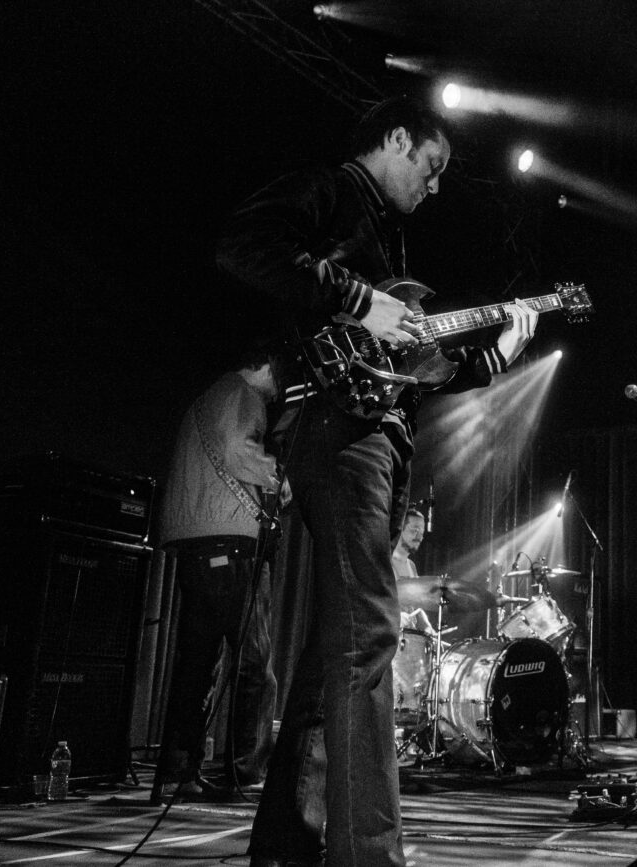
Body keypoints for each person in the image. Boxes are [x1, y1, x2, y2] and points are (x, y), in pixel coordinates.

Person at [216, 95, 539, 867]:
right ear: (395, 138)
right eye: (431, 165)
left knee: (331, 657)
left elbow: (413, 374)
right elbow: (243, 243)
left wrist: (494, 358)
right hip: (338, 435)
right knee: (368, 636)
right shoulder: (331, 191)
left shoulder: (390, 243)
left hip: (380, 442)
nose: (435, 185)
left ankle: (285, 847)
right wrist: (361, 299)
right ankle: (369, 855)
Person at [152, 352, 287, 804]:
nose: (279, 393)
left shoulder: (205, 398)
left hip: (196, 542)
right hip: (232, 542)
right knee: (254, 663)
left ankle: (177, 772)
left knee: (197, 664)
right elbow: (238, 451)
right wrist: (281, 479)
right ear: (266, 365)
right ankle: (246, 772)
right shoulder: (242, 392)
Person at [392, 507, 435, 634]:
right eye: (415, 530)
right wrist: (395, 617)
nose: (419, 537)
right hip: (389, 637)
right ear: (400, 529)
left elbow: (416, 606)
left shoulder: (411, 566)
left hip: (408, 637)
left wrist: (427, 626)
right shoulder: (383, 563)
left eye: (422, 532)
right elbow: (373, 602)